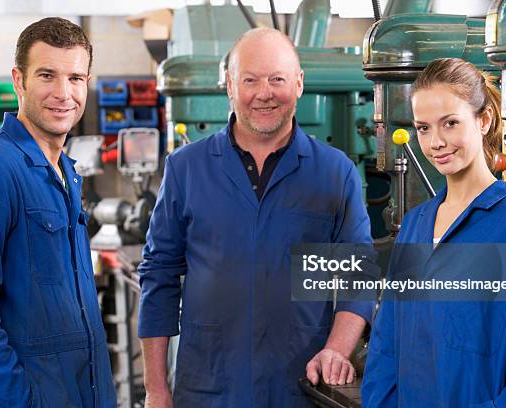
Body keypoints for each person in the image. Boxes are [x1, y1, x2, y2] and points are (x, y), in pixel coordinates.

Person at [138, 27, 374, 408]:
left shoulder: (335, 172)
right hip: (208, 388)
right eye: (250, 80)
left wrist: (336, 350)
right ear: (230, 86)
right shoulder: (185, 169)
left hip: (300, 386)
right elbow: (159, 275)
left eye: (277, 79)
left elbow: (355, 278)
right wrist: (156, 388)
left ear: (298, 84)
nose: (264, 93)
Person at [0, 17, 117, 407]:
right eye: (47, 75)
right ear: (19, 80)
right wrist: (18, 400)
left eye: (76, 78)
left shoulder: (65, 174)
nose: (63, 93)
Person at [361, 58, 506, 407]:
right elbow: (387, 344)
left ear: (485, 120)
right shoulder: (416, 224)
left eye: (450, 123)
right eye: (424, 128)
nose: (436, 143)